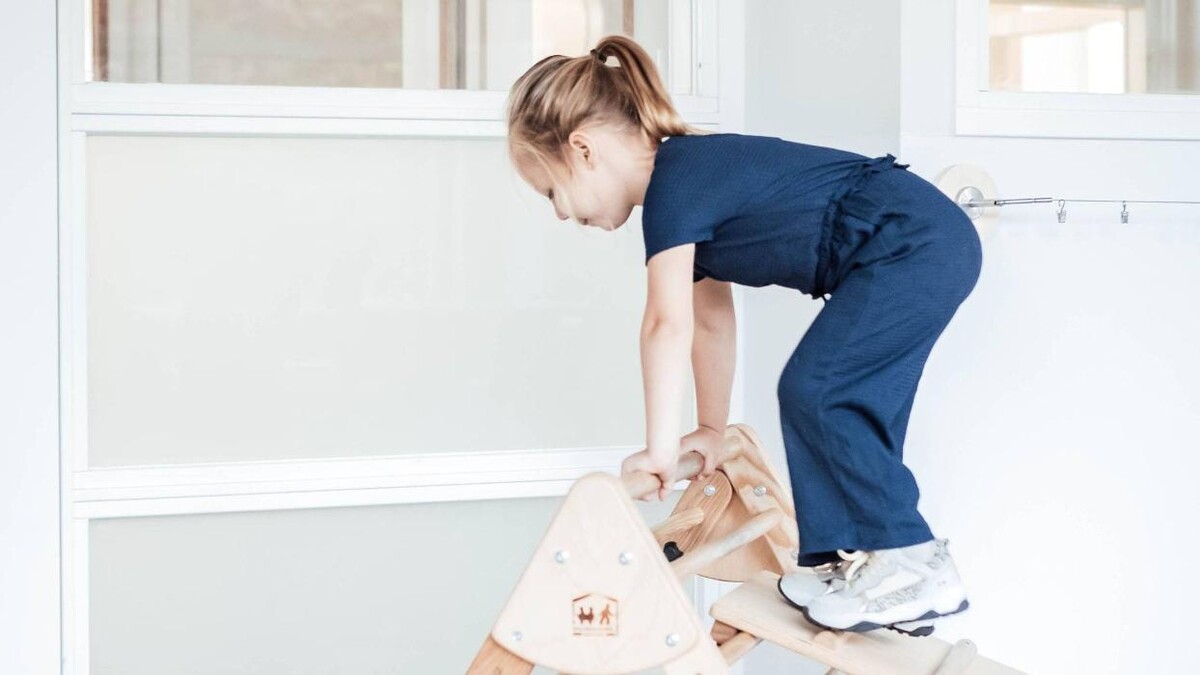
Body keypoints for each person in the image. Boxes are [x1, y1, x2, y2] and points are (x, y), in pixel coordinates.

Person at [503, 34, 979, 635]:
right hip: (916, 243)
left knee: (818, 388)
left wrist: (655, 450)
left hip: (913, 240)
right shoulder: (688, 191)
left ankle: (914, 564)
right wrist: (709, 428)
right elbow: (708, 320)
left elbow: (664, 323)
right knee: (834, 395)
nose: (561, 213)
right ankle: (858, 567)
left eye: (551, 190)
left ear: (583, 149)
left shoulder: (676, 186)